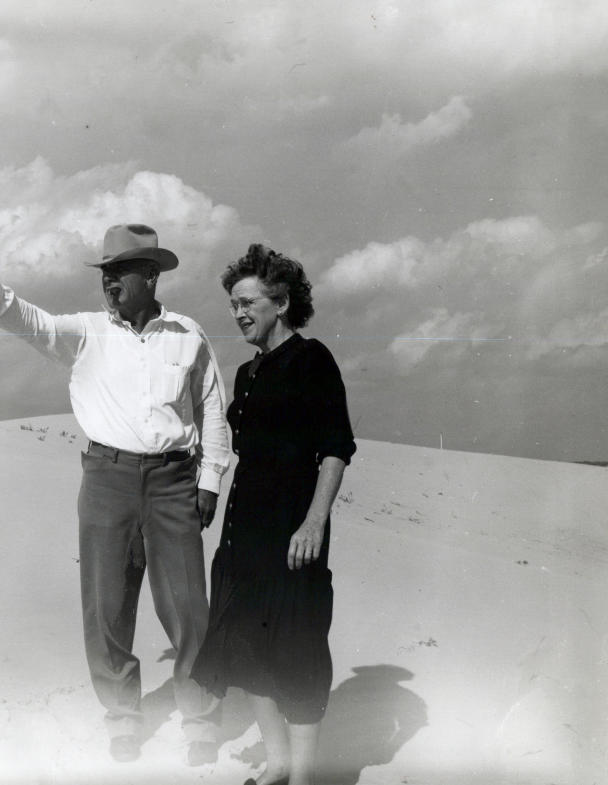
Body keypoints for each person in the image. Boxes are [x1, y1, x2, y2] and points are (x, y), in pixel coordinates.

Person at [0, 224, 230, 766]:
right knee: (107, 605)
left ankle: (199, 719)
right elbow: (34, 324)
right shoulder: (87, 332)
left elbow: (212, 409)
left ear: (150, 275)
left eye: (119, 271)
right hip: (107, 479)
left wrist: (210, 480)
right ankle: (122, 716)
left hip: (174, 483)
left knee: (189, 607)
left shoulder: (187, 334)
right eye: (104, 272)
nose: (109, 282)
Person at [190, 243, 356, 785]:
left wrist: (314, 522)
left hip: (292, 531)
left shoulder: (312, 359)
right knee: (248, 648)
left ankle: (304, 775)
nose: (238, 313)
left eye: (247, 302)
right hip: (245, 532)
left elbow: (335, 447)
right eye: (233, 304)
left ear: (281, 302)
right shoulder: (248, 371)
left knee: (297, 649)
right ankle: (279, 763)